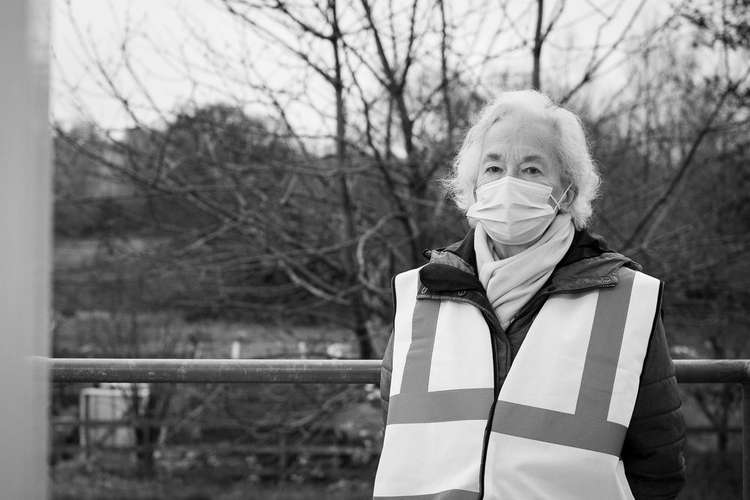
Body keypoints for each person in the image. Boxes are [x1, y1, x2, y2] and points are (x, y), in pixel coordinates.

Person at [372, 90, 686, 500]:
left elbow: (658, 463)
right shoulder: (422, 291)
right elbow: (397, 437)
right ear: (473, 187)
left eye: (532, 169)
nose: (508, 183)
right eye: (494, 167)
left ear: (567, 193)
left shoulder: (625, 299)